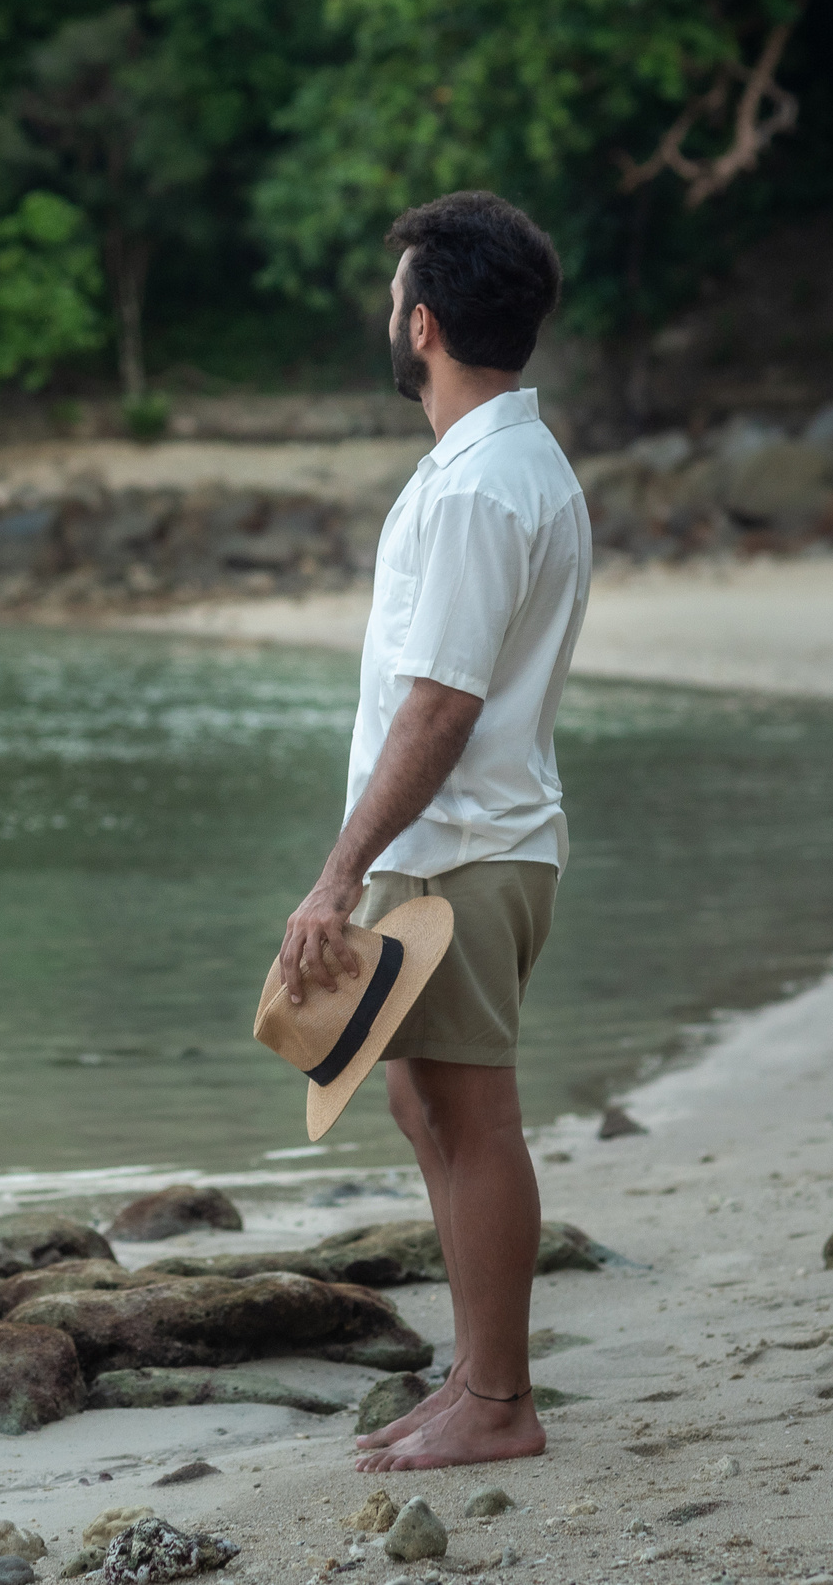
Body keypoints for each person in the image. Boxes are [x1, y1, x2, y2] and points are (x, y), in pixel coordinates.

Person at [273, 190, 588, 1472]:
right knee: (421, 1102)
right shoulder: (506, 461)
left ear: (425, 321)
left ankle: (501, 1402)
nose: (388, 318)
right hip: (467, 840)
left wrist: (335, 876)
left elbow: (441, 703)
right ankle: (473, 1380)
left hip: (464, 846)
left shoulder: (478, 488)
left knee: (471, 1117)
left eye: (394, 297)